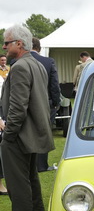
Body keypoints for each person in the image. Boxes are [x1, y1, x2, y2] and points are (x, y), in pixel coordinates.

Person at [0, 25, 54, 211]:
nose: (4, 46)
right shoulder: (36, 64)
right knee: (31, 178)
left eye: (6, 42)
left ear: (19, 44)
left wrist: (8, 135)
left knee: (17, 182)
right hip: (34, 133)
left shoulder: (21, 66)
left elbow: (18, 107)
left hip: (20, 135)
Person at [31, 37, 61, 172]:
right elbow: (54, 85)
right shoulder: (48, 62)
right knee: (44, 133)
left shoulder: (16, 61)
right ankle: (41, 165)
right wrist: (56, 102)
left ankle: (28, 164)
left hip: (25, 103)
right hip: (45, 103)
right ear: (39, 48)